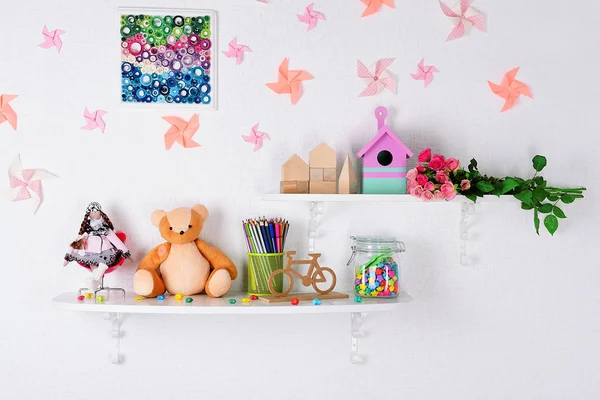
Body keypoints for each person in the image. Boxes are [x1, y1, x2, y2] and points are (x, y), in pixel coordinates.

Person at [64, 202, 130, 290]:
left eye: (96, 211)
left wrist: (127, 253)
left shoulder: (105, 228)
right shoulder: (86, 229)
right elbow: (77, 243)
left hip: (106, 253)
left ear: (100, 213)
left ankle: (94, 281)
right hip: (91, 255)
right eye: (91, 211)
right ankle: (95, 280)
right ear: (88, 214)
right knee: (92, 264)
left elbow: (116, 241)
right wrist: (69, 256)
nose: (94, 213)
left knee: (95, 263)